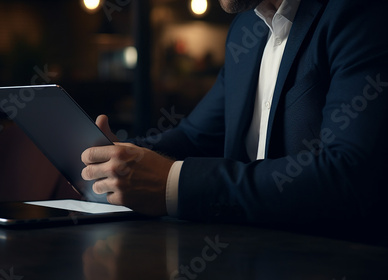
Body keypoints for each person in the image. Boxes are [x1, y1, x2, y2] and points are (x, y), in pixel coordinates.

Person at [80, 0, 388, 230]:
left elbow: (348, 174)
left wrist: (174, 182)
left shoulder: (360, 11)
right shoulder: (246, 28)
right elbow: (196, 137)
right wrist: (111, 158)